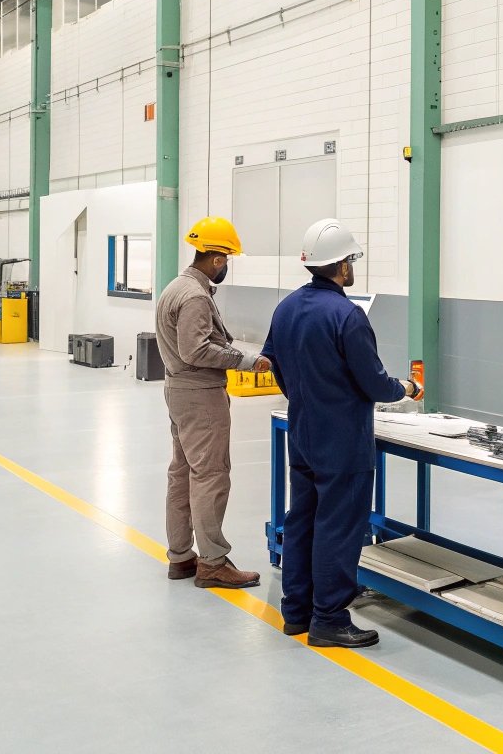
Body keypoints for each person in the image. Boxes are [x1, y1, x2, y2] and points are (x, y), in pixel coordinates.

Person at [260, 218, 420, 648]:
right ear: (342, 265)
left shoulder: (285, 308)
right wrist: (405, 389)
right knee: (338, 526)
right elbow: (374, 384)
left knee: (302, 520)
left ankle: (296, 612)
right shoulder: (348, 316)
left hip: (302, 433)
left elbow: (273, 362)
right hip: (343, 442)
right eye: (351, 260)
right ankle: (329, 618)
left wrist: (302, 396)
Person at [154, 216, 269, 590]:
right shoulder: (195, 296)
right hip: (200, 397)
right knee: (210, 476)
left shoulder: (175, 287)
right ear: (217, 259)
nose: (226, 266)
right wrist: (247, 361)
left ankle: (180, 556)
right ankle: (213, 563)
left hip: (179, 393)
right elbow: (196, 350)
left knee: (183, 473)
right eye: (227, 260)